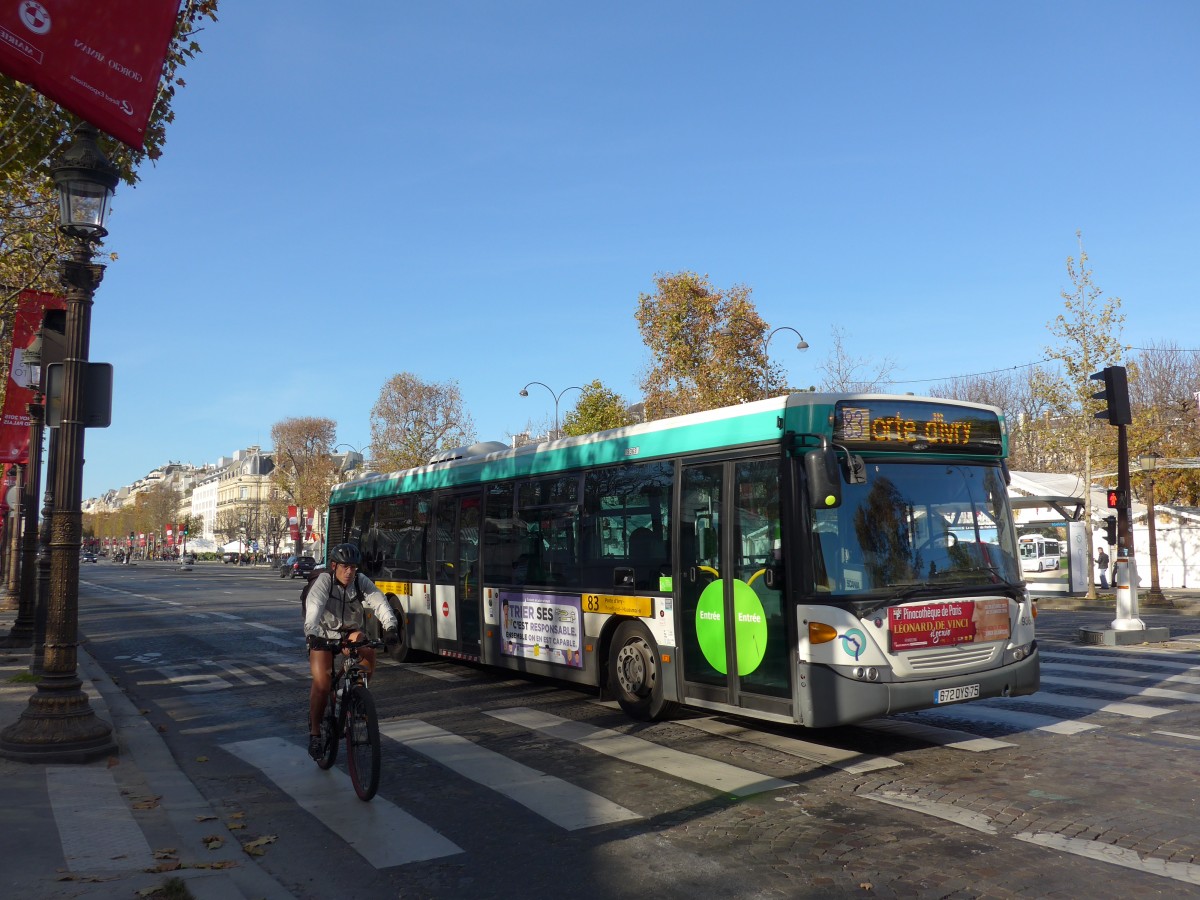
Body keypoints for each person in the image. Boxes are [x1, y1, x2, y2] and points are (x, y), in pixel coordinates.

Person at [303, 543, 398, 759]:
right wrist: (312, 636)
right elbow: (314, 608)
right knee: (322, 682)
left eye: (353, 567)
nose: (349, 572)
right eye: (345, 567)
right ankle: (315, 734)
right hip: (322, 634)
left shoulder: (360, 581)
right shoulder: (324, 582)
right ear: (334, 566)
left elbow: (379, 602)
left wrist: (391, 626)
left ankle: (356, 696)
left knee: (367, 648)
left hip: (349, 633)